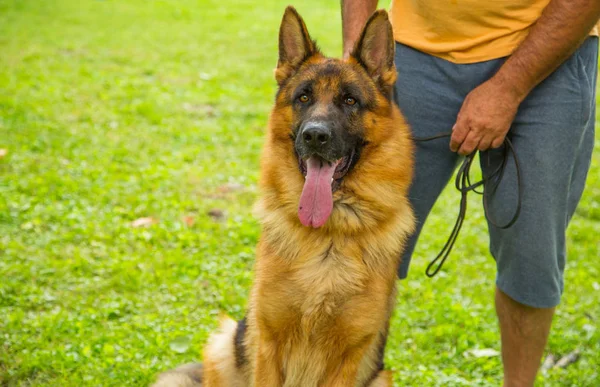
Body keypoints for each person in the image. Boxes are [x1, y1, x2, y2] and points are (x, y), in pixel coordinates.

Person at [341, 1, 600, 386]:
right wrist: (355, 53)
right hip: (416, 48)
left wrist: (508, 89)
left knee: (532, 253)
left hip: (549, 48)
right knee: (354, 241)